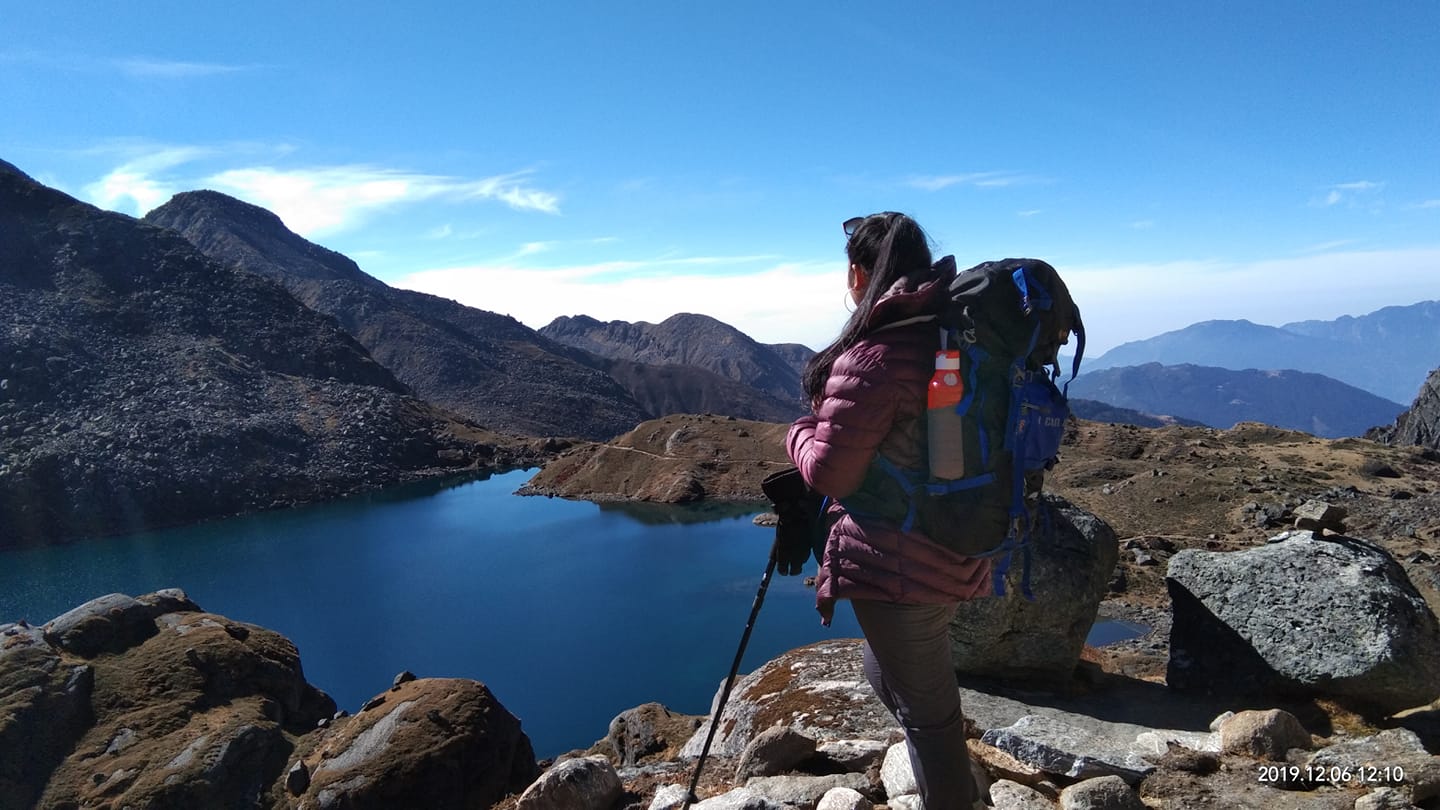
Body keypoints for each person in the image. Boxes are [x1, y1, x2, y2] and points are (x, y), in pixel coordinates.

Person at [785, 212, 990, 810]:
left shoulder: (873, 357)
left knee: (932, 721)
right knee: (885, 672)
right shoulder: (957, 339)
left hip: (899, 558)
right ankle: (945, 780)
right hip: (958, 540)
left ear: (858, 274)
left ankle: (950, 792)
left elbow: (830, 472)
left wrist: (798, 432)